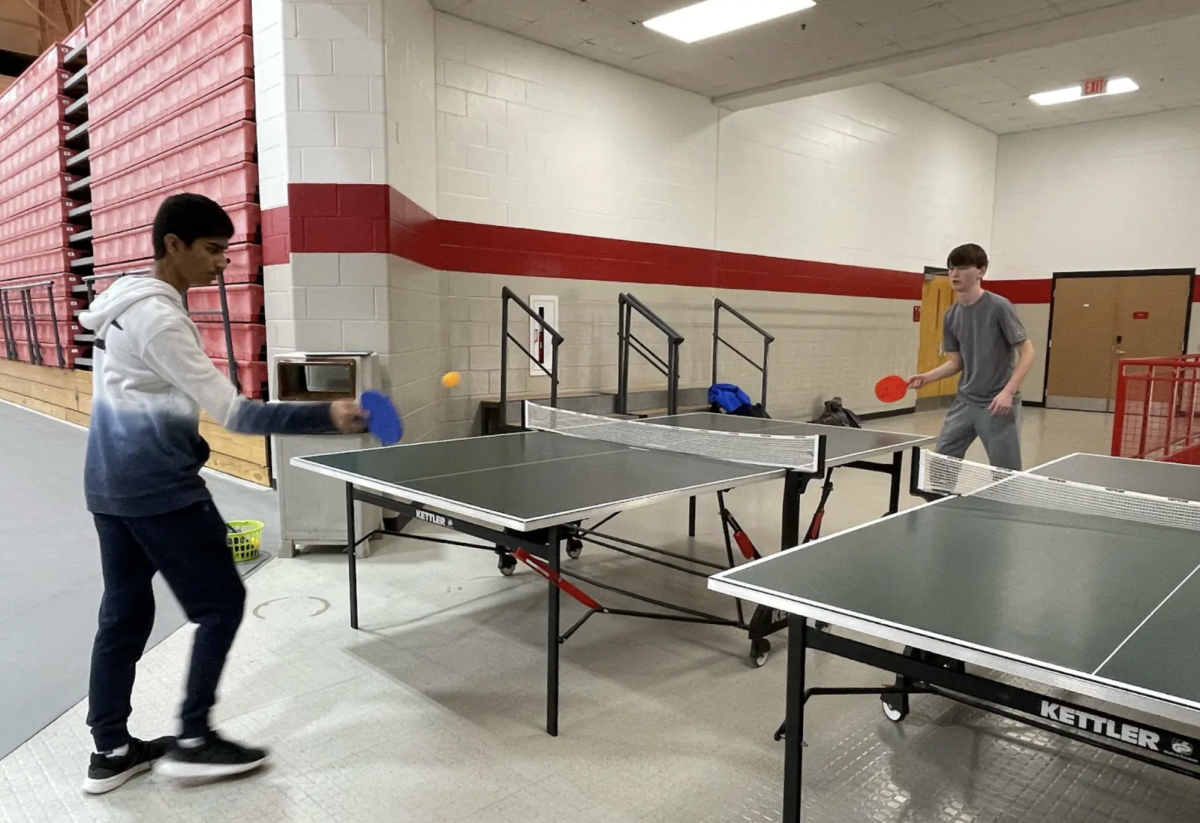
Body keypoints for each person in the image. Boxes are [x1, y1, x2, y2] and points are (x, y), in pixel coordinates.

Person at [79, 193, 365, 794]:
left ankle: (110, 750)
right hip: (159, 487)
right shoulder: (159, 318)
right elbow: (235, 413)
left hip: (107, 484)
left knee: (123, 616)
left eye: (226, 252)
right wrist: (327, 416)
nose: (222, 264)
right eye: (212, 250)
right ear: (173, 245)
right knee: (220, 604)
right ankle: (193, 740)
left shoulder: (124, 301)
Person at [909, 243, 1035, 471]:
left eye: (962, 267)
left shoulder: (999, 307)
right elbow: (957, 362)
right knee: (941, 466)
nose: (954, 273)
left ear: (981, 271)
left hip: (998, 405)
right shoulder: (951, 315)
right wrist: (927, 377)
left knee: (1005, 474)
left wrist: (1007, 393)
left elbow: (1027, 352)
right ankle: (940, 506)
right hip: (965, 402)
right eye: (951, 268)